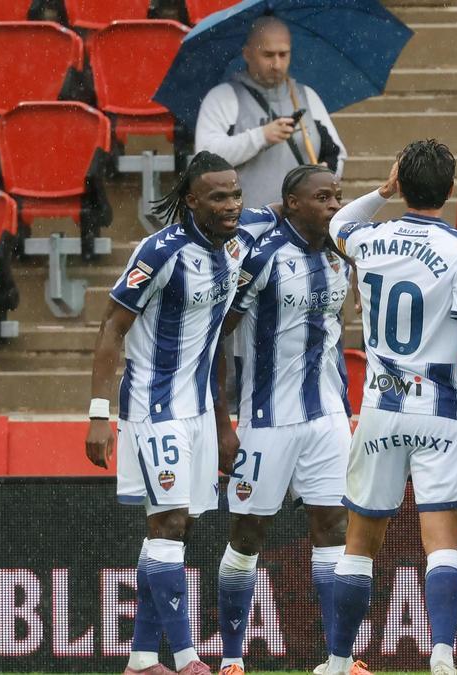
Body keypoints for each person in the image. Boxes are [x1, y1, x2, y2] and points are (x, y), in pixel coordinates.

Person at [322, 140, 457, 675]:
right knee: (441, 542)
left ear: (401, 183)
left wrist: (380, 193)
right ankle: (443, 655)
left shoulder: (371, 238)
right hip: (438, 407)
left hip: (380, 407)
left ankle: (337, 660)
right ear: (451, 191)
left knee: (359, 543)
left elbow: (338, 224)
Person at [84, 152, 276, 675]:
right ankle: (189, 658)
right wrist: (100, 413)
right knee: (167, 522)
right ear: (192, 200)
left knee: (179, 527)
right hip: (154, 407)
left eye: (235, 193)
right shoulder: (160, 251)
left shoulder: (237, 239)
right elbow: (110, 329)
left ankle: (144, 660)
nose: (232, 203)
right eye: (218, 196)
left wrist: (221, 423)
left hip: (196, 412)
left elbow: (293, 209)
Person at [211, 165, 361, 675]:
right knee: (249, 533)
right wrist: (222, 424)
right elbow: (217, 344)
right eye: (323, 197)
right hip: (266, 420)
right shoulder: (264, 257)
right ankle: (232, 660)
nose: (334, 205)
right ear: (292, 204)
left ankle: (337, 661)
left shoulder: (343, 257)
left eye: (338, 196)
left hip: (327, 418)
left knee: (333, 527)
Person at [196, 16, 347, 208]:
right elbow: (204, 159)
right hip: (245, 226)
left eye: (283, 54)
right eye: (268, 55)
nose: (277, 64)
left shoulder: (307, 96)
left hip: (301, 228)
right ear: (247, 53)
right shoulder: (223, 98)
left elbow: (336, 154)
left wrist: (328, 174)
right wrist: (261, 137)